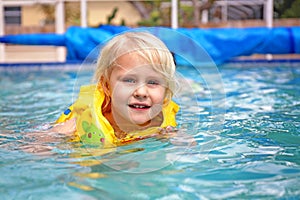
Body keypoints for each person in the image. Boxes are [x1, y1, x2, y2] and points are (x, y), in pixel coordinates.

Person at [51, 31, 180, 148]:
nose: (141, 92)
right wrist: (56, 138)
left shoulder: (165, 127)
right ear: (107, 86)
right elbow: (40, 145)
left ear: (166, 92)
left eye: (153, 82)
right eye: (129, 80)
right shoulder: (76, 125)